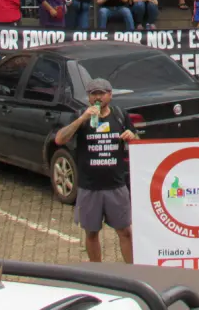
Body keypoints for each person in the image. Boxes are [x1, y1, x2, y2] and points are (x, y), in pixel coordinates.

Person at [54, 78, 136, 263]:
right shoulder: (80, 116)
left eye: (102, 93)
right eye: (93, 94)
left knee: (125, 232)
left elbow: (136, 140)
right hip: (89, 187)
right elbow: (59, 139)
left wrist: (132, 136)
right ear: (88, 97)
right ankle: (97, 271)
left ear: (110, 95)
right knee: (91, 233)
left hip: (116, 185)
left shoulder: (120, 115)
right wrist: (82, 119)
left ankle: (132, 272)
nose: (98, 97)